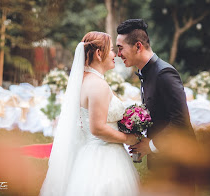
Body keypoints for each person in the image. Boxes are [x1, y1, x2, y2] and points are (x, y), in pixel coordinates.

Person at [40, 31, 139, 196]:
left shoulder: (85, 80)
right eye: (112, 50)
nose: (116, 54)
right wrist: (128, 139)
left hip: (89, 153)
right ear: (99, 54)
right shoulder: (97, 85)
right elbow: (98, 128)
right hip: (105, 156)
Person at [116, 19, 196, 169]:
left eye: (121, 48)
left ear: (138, 46)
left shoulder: (164, 73)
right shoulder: (145, 72)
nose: (118, 54)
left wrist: (151, 145)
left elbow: (180, 120)